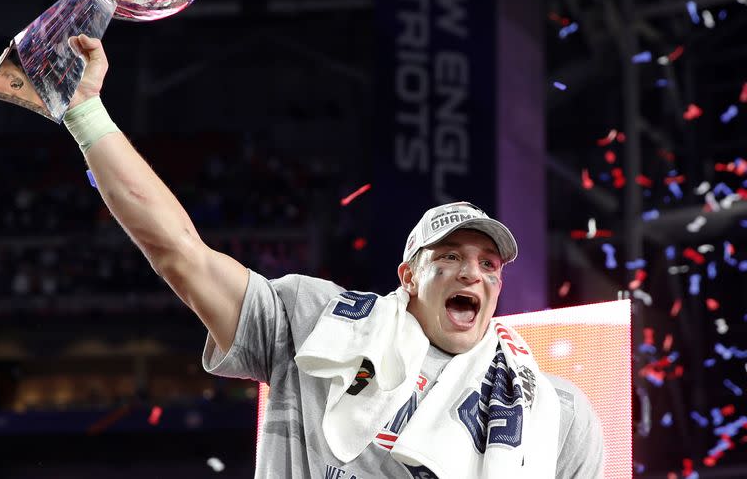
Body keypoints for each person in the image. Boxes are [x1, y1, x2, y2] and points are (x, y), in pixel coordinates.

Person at [62, 34, 604, 478]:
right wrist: (86, 113)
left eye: (489, 264)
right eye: (449, 256)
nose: (473, 273)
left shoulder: (557, 411)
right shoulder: (315, 322)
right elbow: (181, 255)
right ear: (408, 276)